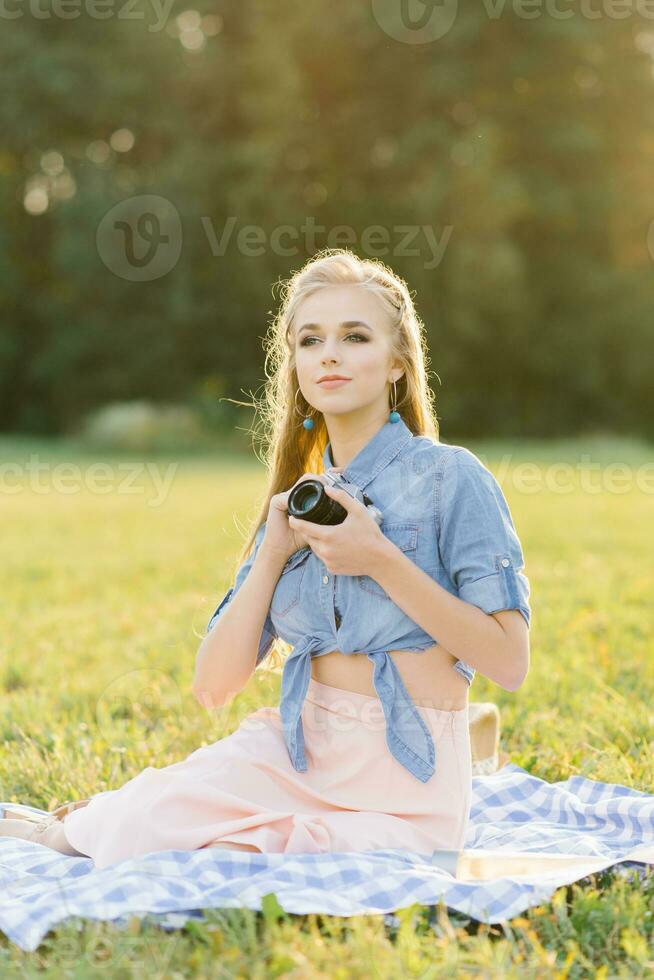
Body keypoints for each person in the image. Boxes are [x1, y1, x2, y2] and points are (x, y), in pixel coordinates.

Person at [0, 249, 531, 867]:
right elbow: (212, 686)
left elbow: (509, 661)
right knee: (130, 830)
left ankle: (471, 739)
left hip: (406, 785)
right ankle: (76, 825)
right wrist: (274, 551)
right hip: (296, 751)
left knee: (242, 856)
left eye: (354, 336)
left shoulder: (451, 478)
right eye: (311, 340)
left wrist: (379, 558)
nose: (329, 353)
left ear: (397, 365)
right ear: (297, 368)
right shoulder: (297, 503)